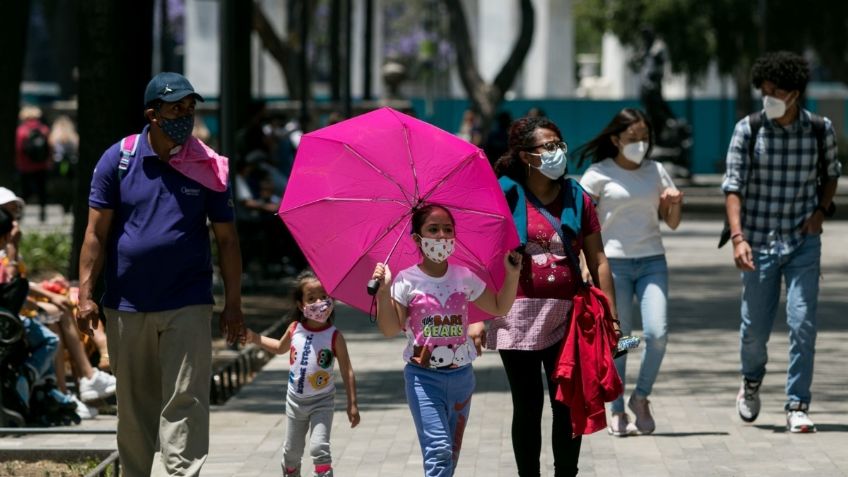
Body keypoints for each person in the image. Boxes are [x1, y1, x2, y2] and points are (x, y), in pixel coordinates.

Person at [77, 71, 245, 476]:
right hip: (126, 305)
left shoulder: (208, 166)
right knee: (134, 408)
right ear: (152, 114)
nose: (185, 116)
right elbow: (95, 234)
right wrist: (84, 295)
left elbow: (227, 241)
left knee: (185, 400)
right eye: (175, 108)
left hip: (187, 301)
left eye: (190, 107)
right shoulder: (118, 159)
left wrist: (233, 305)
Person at [487, 116, 618, 477]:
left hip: (569, 317)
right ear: (526, 156)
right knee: (527, 406)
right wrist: (476, 315)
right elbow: (481, 256)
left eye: (559, 144)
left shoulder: (577, 196)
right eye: (548, 146)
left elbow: (599, 260)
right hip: (516, 316)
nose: (557, 152)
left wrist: (612, 318)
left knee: (567, 404)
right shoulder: (503, 193)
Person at [722, 51, 841, 434]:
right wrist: (737, 237)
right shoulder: (749, 129)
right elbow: (733, 188)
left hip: (803, 242)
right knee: (754, 329)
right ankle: (751, 381)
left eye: (775, 91)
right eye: (764, 90)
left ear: (794, 93)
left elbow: (831, 175)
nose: (767, 97)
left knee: (803, 323)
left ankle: (797, 403)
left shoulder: (820, 130)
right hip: (756, 242)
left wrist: (821, 211)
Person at [371, 204, 522, 477]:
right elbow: (390, 329)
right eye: (433, 229)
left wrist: (512, 276)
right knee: (438, 450)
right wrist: (383, 293)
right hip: (423, 379)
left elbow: (499, 307)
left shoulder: (463, 276)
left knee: (450, 453)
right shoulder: (405, 281)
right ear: (417, 238)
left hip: (462, 377)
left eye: (447, 229)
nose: (441, 235)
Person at [577, 108, 683, 436]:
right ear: (615, 139)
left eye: (644, 138)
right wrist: (585, 265)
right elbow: (581, 224)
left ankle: (641, 396)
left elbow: (673, 222)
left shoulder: (657, 171)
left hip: (652, 261)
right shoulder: (598, 174)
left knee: (656, 333)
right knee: (622, 340)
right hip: (614, 265)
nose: (640, 144)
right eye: (632, 138)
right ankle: (617, 406)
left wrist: (674, 202)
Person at [245, 270, 359, 477]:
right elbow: (280, 348)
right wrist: (255, 338)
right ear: (301, 305)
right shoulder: (295, 328)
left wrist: (352, 403)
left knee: (319, 448)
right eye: (311, 298)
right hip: (295, 402)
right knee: (291, 453)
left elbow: (346, 369)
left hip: (322, 402)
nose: (319, 302)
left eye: (324, 297)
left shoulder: (334, 336)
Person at [15, 106, 51, 222]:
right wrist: (49, 161)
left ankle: (20, 214)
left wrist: (19, 163)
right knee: (42, 191)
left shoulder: (21, 131)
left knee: (24, 191)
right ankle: (42, 214)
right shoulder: (44, 129)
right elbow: (49, 148)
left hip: (25, 167)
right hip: (41, 166)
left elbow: (19, 149)